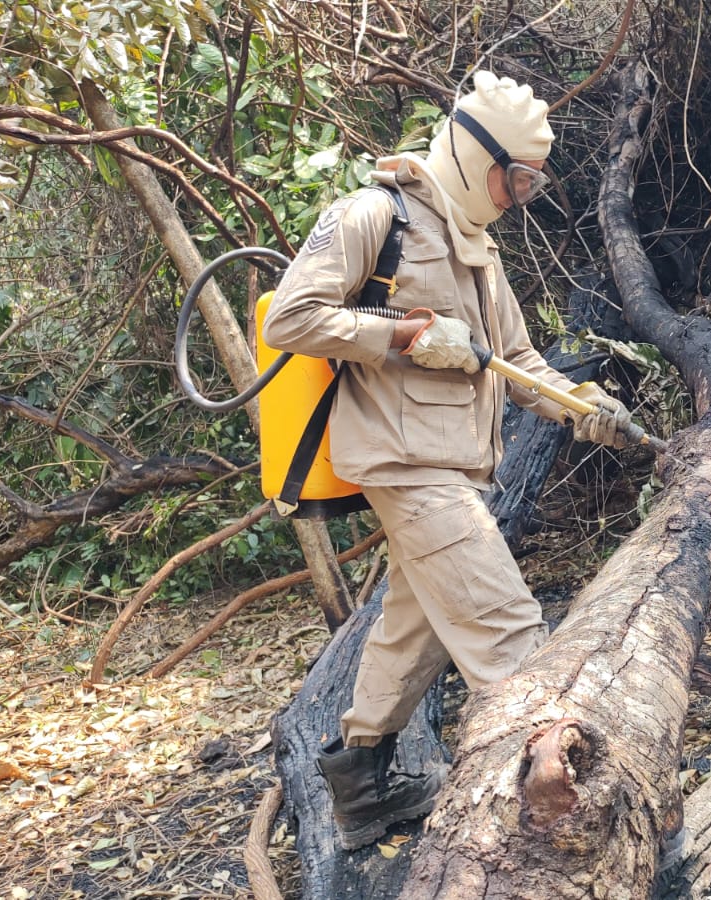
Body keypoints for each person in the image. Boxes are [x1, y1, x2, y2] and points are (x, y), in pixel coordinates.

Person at [263, 72, 633, 850]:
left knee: (417, 627)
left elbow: (520, 360)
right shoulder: (373, 214)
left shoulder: (479, 251)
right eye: (517, 177)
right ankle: (560, 806)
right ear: (476, 153)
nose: (519, 195)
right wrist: (399, 335)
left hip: (454, 469)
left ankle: (362, 786)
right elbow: (292, 318)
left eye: (532, 182)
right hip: (404, 463)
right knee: (506, 628)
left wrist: (585, 407)